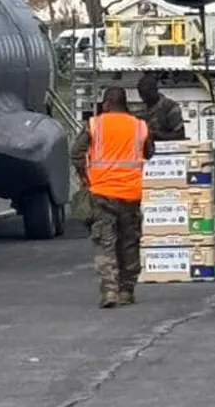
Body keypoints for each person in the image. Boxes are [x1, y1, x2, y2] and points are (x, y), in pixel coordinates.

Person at [70, 86, 154, 308]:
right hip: (130, 195)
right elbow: (149, 152)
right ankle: (127, 291)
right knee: (129, 242)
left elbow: (76, 153)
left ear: (105, 104)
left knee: (105, 242)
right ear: (124, 104)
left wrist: (84, 177)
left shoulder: (94, 125)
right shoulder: (139, 126)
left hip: (102, 193)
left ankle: (109, 292)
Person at [135, 74, 185, 141]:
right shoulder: (140, 109)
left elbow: (180, 135)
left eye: (147, 95)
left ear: (155, 90)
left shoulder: (169, 107)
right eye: (142, 95)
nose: (144, 98)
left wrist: (161, 135)